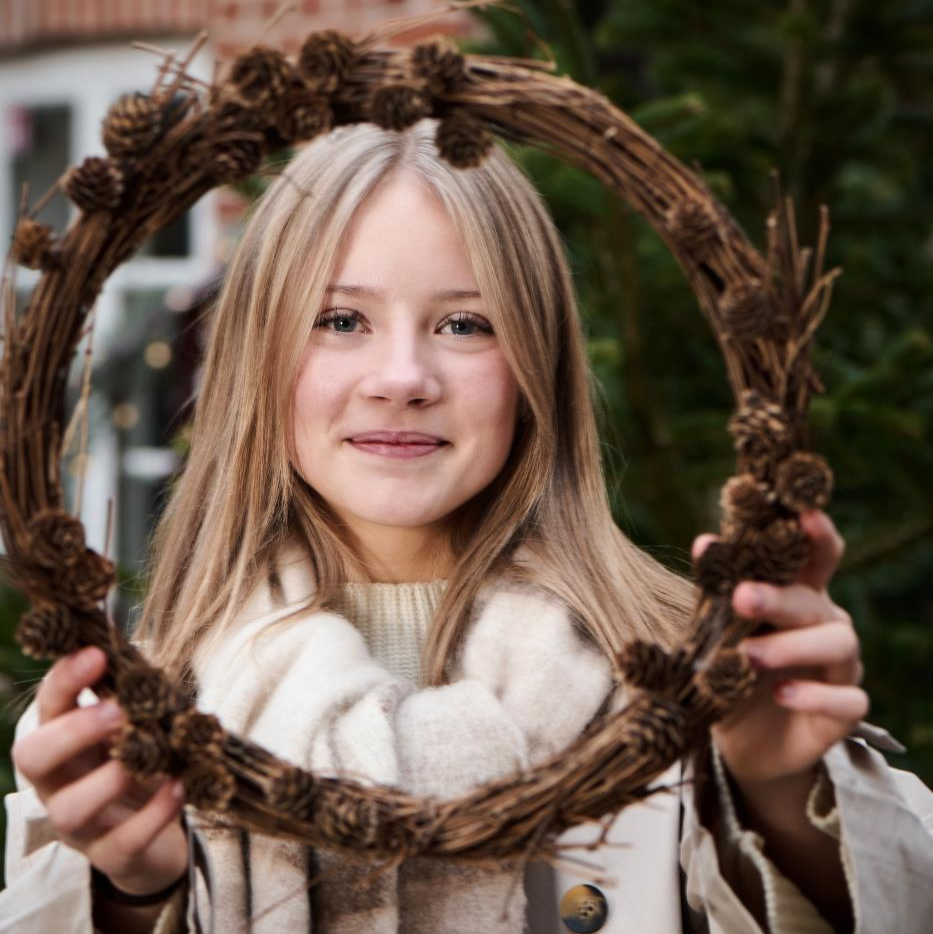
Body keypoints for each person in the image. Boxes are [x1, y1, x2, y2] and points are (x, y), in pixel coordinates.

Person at [3, 118, 932, 934]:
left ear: (535, 363)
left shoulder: (687, 679)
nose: (402, 376)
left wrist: (774, 798)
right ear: (255, 357)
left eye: (463, 325)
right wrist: (129, 893)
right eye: (339, 319)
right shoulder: (151, 714)